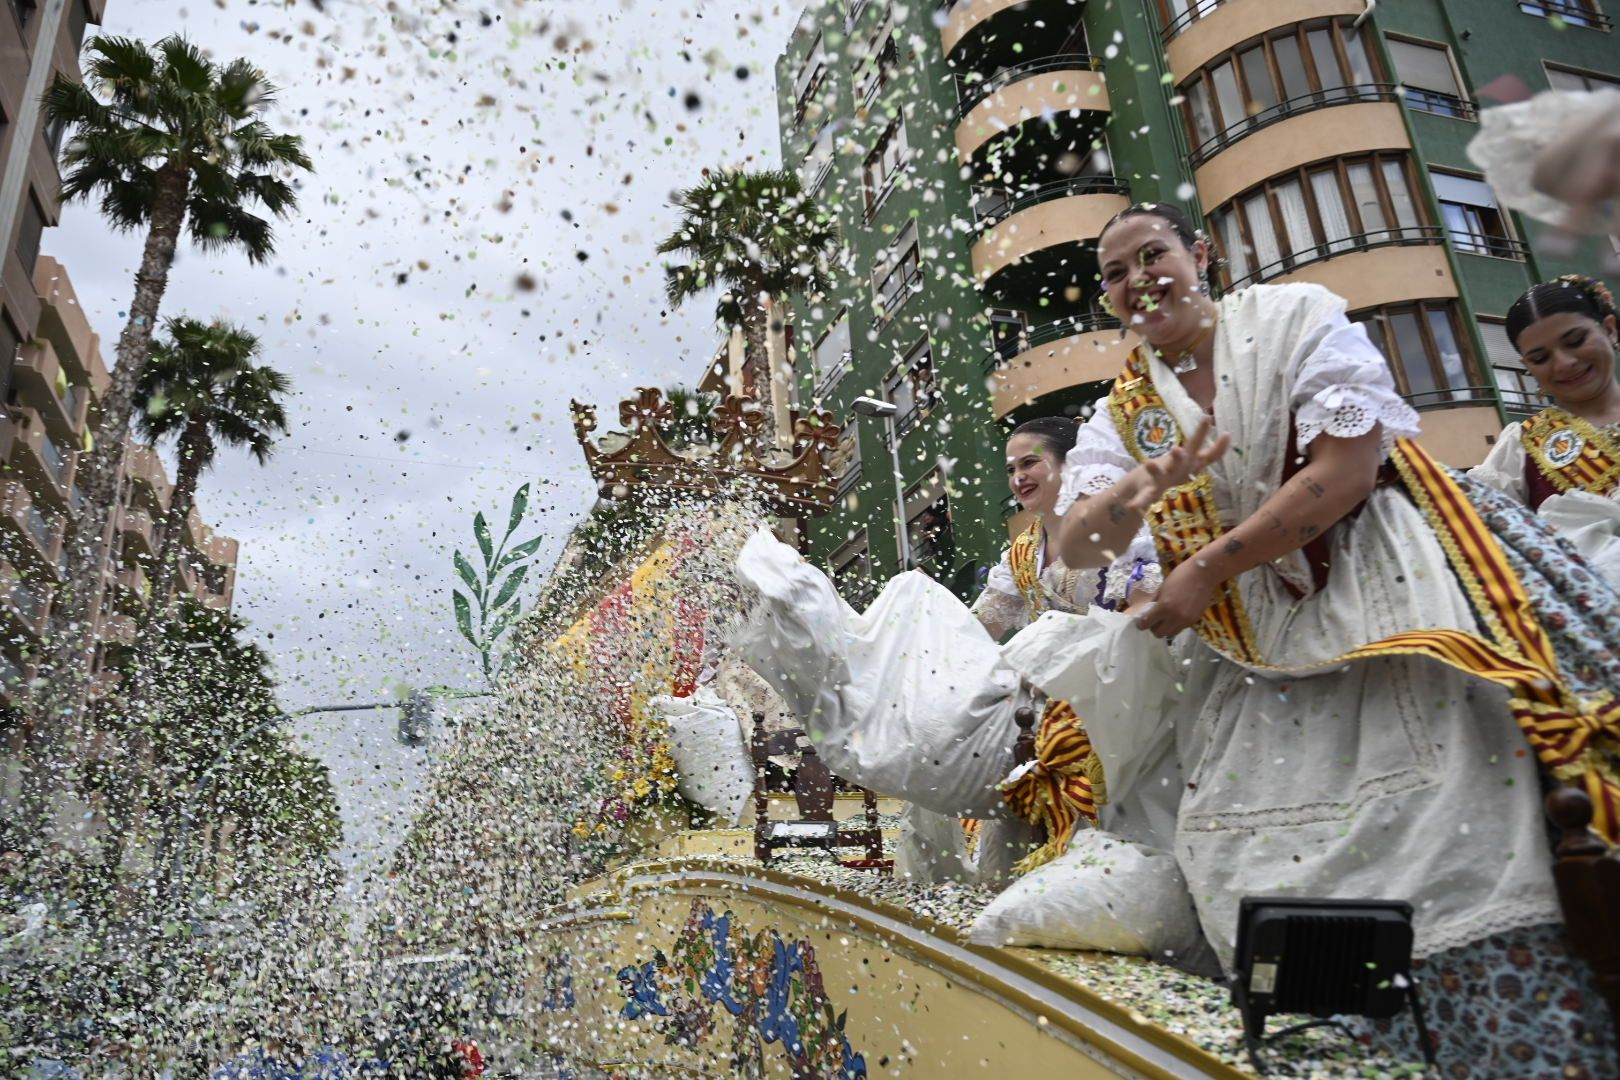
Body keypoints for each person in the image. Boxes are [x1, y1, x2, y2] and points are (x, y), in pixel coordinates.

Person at [1044, 201, 1618, 1076]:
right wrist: (1154, 476)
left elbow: (1344, 471)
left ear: (1202, 254)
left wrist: (1204, 570)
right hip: (1247, 645)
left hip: (1381, 590)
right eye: (1115, 273)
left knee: (1454, 821)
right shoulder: (1124, 410)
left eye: (1152, 255)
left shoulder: (1291, 315)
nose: (1137, 281)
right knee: (1239, 847)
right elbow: (1077, 549)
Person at [1470, 275, 1620, 585]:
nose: (1564, 363)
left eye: (1576, 341)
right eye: (1541, 358)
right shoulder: (1521, 447)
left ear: (1609, 329)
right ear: (1527, 366)